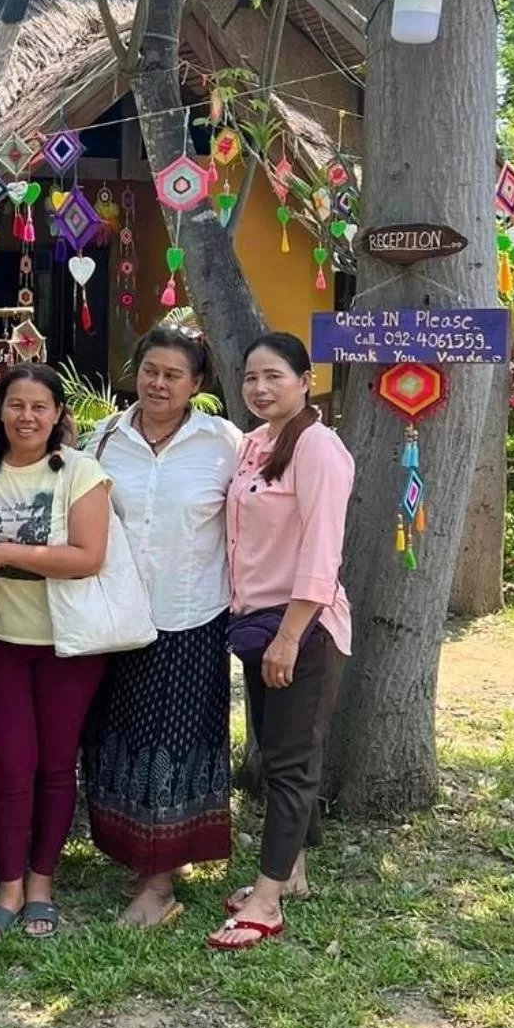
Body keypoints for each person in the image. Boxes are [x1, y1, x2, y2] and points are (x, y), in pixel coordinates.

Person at [82, 327, 241, 928]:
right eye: (150, 369)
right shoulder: (104, 440)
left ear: (196, 384)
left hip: (192, 617)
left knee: (174, 744)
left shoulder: (223, 444)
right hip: (117, 617)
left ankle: (159, 882)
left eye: (174, 374)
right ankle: (132, 853)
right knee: (117, 736)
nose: (158, 383)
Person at [210, 332, 354, 953]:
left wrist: (291, 636)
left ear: (304, 378)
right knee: (274, 751)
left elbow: (323, 553)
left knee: (293, 761)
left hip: (303, 628)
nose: (260, 388)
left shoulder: (320, 448)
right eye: (250, 378)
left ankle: (266, 902)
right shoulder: (254, 445)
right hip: (255, 624)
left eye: (274, 376)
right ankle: (292, 872)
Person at [0, 365, 110, 940]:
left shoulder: (80, 472)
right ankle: (8, 885)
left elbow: (87, 556)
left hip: (67, 643)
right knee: (9, 763)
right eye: (16, 405)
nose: (27, 417)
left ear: (57, 414)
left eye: (39, 407)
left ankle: (42, 881)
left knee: (54, 763)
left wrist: (0, 552)